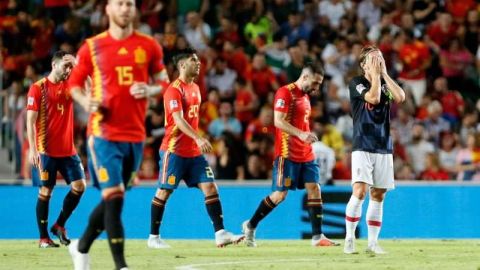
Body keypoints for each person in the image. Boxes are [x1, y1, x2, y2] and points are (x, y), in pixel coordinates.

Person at [67, 0, 170, 269]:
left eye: (130, 4)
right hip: (103, 133)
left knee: (114, 196)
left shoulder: (149, 45)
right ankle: (121, 265)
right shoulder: (92, 46)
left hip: (135, 135)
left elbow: (164, 82)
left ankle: (81, 246)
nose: (126, 8)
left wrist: (149, 90)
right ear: (108, 9)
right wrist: (84, 100)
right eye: (120, 3)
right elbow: (74, 84)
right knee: (115, 198)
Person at [147, 48, 244, 249]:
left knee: (210, 187)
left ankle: (220, 233)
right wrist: (198, 138)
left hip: (193, 152)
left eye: (198, 60)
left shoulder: (196, 88)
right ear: (182, 65)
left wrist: (197, 141)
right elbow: (178, 120)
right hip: (173, 150)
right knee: (164, 192)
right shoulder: (174, 90)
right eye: (193, 60)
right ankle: (153, 237)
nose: (198, 63)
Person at [241, 62, 338, 247]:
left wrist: (306, 134)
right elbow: (278, 121)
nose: (318, 87)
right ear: (305, 77)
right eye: (316, 83)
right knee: (279, 195)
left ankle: (318, 237)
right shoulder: (285, 92)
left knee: (315, 188)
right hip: (287, 153)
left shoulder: (306, 96)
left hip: (306, 153)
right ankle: (251, 225)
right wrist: (301, 134)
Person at [344, 45, 405, 254]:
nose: (378, 60)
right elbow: (374, 98)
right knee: (360, 191)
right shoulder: (356, 83)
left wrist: (384, 74)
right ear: (363, 65)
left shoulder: (385, 83)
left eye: (380, 58)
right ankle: (349, 237)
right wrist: (376, 76)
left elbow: (401, 97)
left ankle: (372, 243)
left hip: (383, 145)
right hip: (362, 144)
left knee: (378, 194)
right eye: (373, 58)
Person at [26, 51, 86, 248]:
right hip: (46, 150)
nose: (69, 70)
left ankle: (59, 224)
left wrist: (78, 66)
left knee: (80, 186)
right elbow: (30, 120)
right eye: (66, 66)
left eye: (71, 66)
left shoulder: (70, 85)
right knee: (46, 190)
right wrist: (33, 150)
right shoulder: (38, 88)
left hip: (68, 150)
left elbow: (92, 89)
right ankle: (43, 238)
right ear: (54, 65)